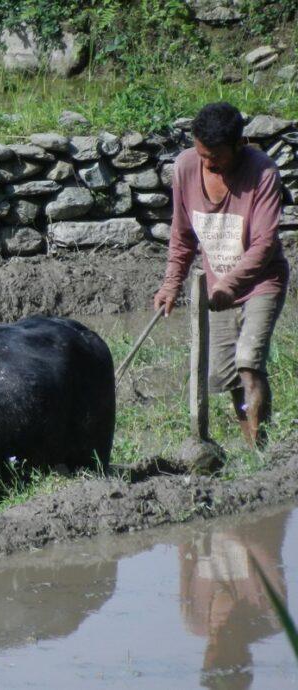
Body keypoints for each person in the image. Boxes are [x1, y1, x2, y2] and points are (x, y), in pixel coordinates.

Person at [153, 102, 290, 448]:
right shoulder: (185, 168)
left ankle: (261, 452)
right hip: (218, 288)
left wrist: (230, 285)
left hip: (261, 282)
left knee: (248, 363)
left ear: (240, 144)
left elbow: (264, 243)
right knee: (226, 374)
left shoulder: (263, 173)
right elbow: (182, 235)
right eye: (202, 155)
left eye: (215, 157)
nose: (208, 164)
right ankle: (251, 445)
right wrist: (171, 284)